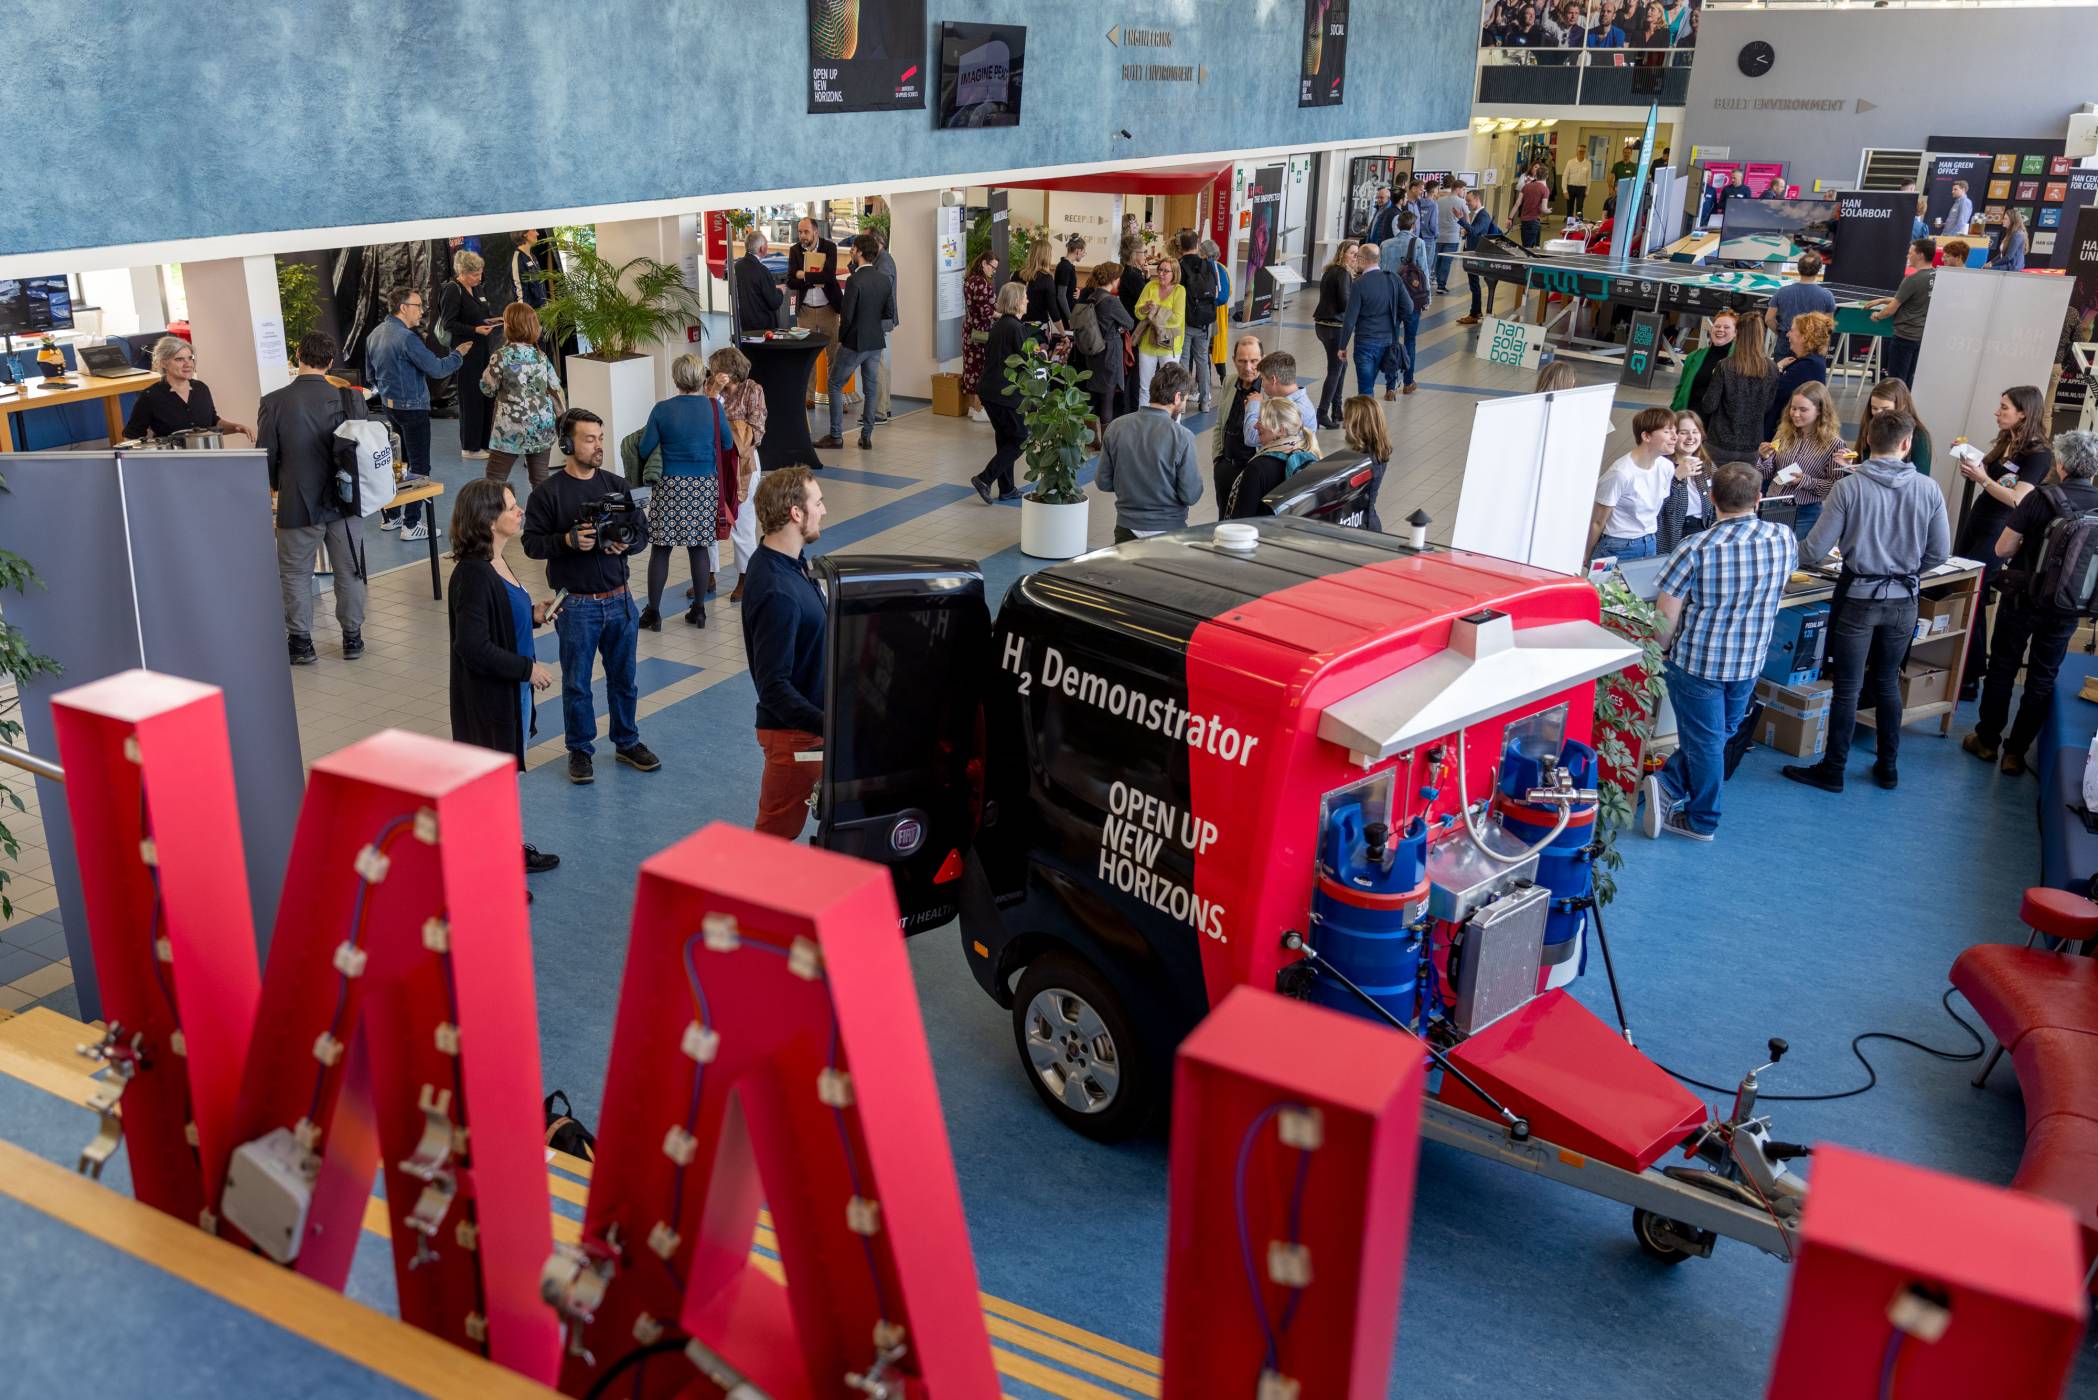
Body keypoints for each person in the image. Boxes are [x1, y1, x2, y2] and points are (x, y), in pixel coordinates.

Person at [1784, 409, 1951, 793]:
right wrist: (1908, 570)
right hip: (1904, 601)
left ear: (1866, 442)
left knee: (1848, 686)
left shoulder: (1849, 488)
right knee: (1889, 681)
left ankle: (1833, 769)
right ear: (1907, 443)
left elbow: (1813, 551)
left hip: (1859, 596)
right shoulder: (1929, 489)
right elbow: (1939, 552)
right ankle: (1888, 767)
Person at [1641, 460, 1795, 840]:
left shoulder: (1695, 547)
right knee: (1718, 733)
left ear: (1711, 499)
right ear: (1759, 498)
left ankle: (1700, 819)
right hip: (1749, 660)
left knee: (1707, 740)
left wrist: (1659, 652)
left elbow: (1666, 614)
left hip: (1699, 663)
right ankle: (1669, 788)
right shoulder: (1783, 537)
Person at [522, 408, 662, 784]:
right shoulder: (547, 494)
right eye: (589, 439)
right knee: (577, 683)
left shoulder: (617, 485)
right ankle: (580, 750)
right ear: (567, 444)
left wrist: (626, 547)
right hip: (576, 605)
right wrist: (566, 541)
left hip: (620, 600)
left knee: (624, 679)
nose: (598, 446)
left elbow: (642, 533)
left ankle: (627, 741)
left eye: (600, 438)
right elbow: (531, 544)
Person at [445, 478, 560, 877]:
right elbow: (473, 646)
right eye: (511, 507)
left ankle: (507, 852)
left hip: (510, 695)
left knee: (503, 784)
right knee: (490, 790)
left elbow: (500, 621)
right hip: (488, 699)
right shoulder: (473, 575)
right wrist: (527, 669)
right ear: (489, 519)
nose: (519, 511)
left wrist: (533, 616)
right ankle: (494, 874)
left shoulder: (499, 561)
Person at [1967, 429, 2098, 774]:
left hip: (2023, 598)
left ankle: (1986, 740)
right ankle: (2016, 753)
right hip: (2069, 606)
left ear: (2061, 462)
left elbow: (2002, 549)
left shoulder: (2041, 497)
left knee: (2004, 667)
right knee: (2042, 676)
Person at [261, 330, 367, 666]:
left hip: (298, 500)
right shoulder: (350, 398)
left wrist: (280, 486)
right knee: (349, 571)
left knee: (294, 574)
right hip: (345, 501)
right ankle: (352, 638)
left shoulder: (274, 401)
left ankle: (302, 643)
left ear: (297, 356)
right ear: (331, 361)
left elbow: (266, 456)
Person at [741, 467, 829, 840]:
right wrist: (830, 725)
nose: (824, 510)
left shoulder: (788, 562)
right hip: (797, 736)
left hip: (807, 729)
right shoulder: (778, 591)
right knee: (772, 839)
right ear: (796, 513)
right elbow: (773, 686)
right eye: (818, 502)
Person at [1954, 385, 2055, 697]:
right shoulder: (2005, 442)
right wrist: (1972, 464)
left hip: (1999, 528)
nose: (1997, 413)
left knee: (1975, 591)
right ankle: (1966, 669)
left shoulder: (2038, 455)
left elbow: (2017, 500)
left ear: (2023, 412)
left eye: (2004, 408)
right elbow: (1990, 475)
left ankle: (1970, 674)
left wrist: (1983, 479)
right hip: (1977, 520)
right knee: (1965, 589)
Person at [635, 352, 735, 629]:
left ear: (675, 379)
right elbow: (726, 444)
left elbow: (644, 448)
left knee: (661, 548)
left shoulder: (662, 409)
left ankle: (653, 612)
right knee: (699, 547)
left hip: (669, 484)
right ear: (702, 378)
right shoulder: (714, 408)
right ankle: (699, 610)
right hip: (703, 485)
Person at [365, 286, 470, 541]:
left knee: (399, 463)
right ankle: (412, 524)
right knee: (419, 466)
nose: (422, 312)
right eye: (418, 306)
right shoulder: (406, 338)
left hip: (391, 408)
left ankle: (392, 516)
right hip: (413, 409)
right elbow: (436, 369)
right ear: (403, 308)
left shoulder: (375, 334)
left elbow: (370, 376)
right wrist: (458, 355)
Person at [1098, 361, 1202, 542]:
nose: (1184, 405)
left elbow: (1103, 482)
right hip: (1170, 530)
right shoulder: (1182, 437)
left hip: (1126, 528)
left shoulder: (1116, 427)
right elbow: (1190, 495)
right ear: (1177, 397)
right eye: (1185, 399)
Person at [816, 232, 896, 452]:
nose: (850, 251)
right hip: (876, 341)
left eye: (853, 249)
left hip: (855, 342)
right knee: (870, 389)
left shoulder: (854, 280)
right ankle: (866, 436)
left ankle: (835, 435)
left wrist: (842, 340)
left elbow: (847, 315)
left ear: (860, 252)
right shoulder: (882, 279)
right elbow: (888, 311)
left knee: (834, 384)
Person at [479, 301, 561, 491]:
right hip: (542, 425)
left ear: (509, 326)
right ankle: (543, 519)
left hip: (510, 428)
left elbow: (487, 388)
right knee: (540, 480)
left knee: (495, 481)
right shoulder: (540, 356)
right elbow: (555, 385)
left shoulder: (501, 356)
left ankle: (495, 518)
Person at [1756, 381, 1847, 538]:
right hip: (1773, 503)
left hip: (1804, 512)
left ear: (1819, 410)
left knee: (1797, 557)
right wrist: (1764, 458)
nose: (1795, 414)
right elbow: (1767, 473)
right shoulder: (1784, 433)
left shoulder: (1834, 444)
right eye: (1793, 408)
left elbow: (1834, 488)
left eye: (1803, 410)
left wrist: (1804, 481)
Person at [124, 335, 254, 444]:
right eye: (179, 359)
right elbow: (131, 437)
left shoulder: (201, 388)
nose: (188, 364)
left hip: (207, 458)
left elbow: (213, 423)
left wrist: (235, 427)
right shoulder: (150, 396)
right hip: (172, 464)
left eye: (190, 358)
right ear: (163, 363)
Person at [1587, 407, 1679, 561]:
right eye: (1667, 431)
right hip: (1617, 545)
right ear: (1646, 436)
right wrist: (1586, 556)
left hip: (1649, 541)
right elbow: (1597, 521)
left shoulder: (1666, 467)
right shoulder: (1620, 473)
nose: (1675, 437)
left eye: (1675, 431)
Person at [714, 346, 768, 605]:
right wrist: (713, 393)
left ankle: (746, 578)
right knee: (710, 518)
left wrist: (730, 431)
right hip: (715, 462)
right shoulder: (713, 392)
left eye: (717, 370)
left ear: (730, 372)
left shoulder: (752, 390)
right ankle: (708, 573)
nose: (714, 374)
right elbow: (704, 416)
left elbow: (757, 428)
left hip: (742, 463)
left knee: (743, 522)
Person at [435, 251, 501, 459]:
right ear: (462, 272)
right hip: (465, 351)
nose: (479, 278)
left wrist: (492, 320)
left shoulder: (477, 288)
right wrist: (474, 330)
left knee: (485, 395)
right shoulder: (452, 290)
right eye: (474, 275)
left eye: (480, 274)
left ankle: (484, 442)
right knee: (471, 398)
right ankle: (470, 447)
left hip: (482, 348)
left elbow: (481, 314)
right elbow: (449, 323)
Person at [972, 282, 1032, 503]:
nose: (1028, 301)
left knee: (1005, 438)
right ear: (1016, 301)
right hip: (1003, 393)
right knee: (1020, 439)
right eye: (1025, 297)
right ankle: (984, 479)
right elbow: (1025, 363)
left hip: (989, 389)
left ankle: (1007, 489)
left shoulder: (999, 325)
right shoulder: (1015, 328)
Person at [1224, 397, 1320, 518]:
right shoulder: (1308, 453)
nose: (1255, 426)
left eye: (1261, 420)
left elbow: (1241, 520)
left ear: (1280, 430)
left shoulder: (1258, 467)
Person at [1699, 314, 1777, 463]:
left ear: (1737, 333)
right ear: (1761, 335)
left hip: (1719, 442)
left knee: (1710, 485)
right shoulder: (1771, 368)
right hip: (1751, 446)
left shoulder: (1724, 365)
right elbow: (1767, 406)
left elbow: (1709, 405)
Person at [786, 217, 844, 405]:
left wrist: (804, 275)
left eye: (806, 232)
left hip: (828, 308)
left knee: (834, 355)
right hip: (806, 311)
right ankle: (808, 397)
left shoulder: (829, 248)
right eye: (800, 232)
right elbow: (791, 281)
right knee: (807, 355)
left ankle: (836, 398)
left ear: (816, 232)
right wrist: (812, 278)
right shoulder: (795, 250)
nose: (802, 236)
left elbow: (828, 276)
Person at [1075, 262, 1136, 439]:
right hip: (1110, 352)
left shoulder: (1091, 296)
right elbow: (1129, 322)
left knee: (1093, 393)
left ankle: (1090, 437)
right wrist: (1118, 328)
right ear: (1115, 280)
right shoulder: (1110, 301)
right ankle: (1106, 440)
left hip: (1093, 350)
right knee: (1107, 396)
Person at [1340, 242, 1403, 404]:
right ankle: (1373, 424)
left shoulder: (1360, 284)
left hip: (1365, 343)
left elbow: (1350, 319)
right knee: (1369, 385)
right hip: (1387, 341)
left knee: (1366, 390)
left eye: (1357, 256)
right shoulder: (1393, 278)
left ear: (1363, 259)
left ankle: (1366, 425)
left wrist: (1342, 346)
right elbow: (1409, 308)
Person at [1378, 214, 1432, 395]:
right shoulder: (1418, 244)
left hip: (1390, 299)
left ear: (1398, 225)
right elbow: (1423, 272)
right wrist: (1427, 299)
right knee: (1410, 340)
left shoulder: (1385, 245)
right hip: (1412, 300)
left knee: (1391, 341)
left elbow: (1381, 271)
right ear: (1413, 226)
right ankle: (1408, 382)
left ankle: (1390, 387)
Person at [1871, 238, 1936, 386]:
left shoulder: (1912, 279)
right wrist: (1881, 300)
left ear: (1920, 255)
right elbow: (1911, 299)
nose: (1908, 256)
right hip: (1921, 337)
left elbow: (1890, 310)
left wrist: (1877, 315)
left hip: (1905, 337)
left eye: (1910, 252)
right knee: (1909, 382)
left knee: (1897, 383)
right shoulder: (1936, 275)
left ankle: (1898, 408)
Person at [1215, 335, 1266, 512]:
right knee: (1223, 517)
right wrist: (1218, 460)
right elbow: (1220, 423)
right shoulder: (1229, 381)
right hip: (1226, 467)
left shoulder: (1269, 391)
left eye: (1254, 361)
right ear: (1233, 361)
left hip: (1252, 470)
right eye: (1242, 361)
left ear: (1263, 360)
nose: (1248, 367)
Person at [1763, 311, 1832, 438]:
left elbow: (1772, 391)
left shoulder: (1808, 365)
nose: (1788, 334)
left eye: (1792, 330)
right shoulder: (1810, 362)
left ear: (1805, 336)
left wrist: (1778, 368)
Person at [1311, 240, 1358, 429]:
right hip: (1334, 327)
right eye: (1352, 253)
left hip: (1321, 325)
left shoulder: (1330, 270)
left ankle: (1337, 410)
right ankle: (1322, 413)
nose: (1355, 257)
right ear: (1343, 254)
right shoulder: (1344, 274)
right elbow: (1345, 302)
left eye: (1357, 254)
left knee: (1342, 366)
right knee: (1335, 369)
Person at [1241, 352, 1321, 457]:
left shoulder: (1295, 411)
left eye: (1263, 379)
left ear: (1273, 380)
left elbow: (1251, 437)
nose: (1262, 385)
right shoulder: (1296, 404)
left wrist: (1253, 406)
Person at [1658, 410, 1716, 553]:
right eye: (1683, 432)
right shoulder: (1661, 466)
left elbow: (1717, 503)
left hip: (1702, 532)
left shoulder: (1707, 465)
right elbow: (1657, 507)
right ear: (1673, 436)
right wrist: (1676, 478)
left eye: (1695, 432)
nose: (1690, 437)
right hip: (1671, 535)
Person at [1176, 232, 1221, 413]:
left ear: (1180, 246)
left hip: (1185, 320)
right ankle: (1205, 402)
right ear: (1197, 245)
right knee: (1202, 361)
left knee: (1184, 362)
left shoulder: (1179, 266)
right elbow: (1216, 292)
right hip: (1204, 321)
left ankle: (1184, 402)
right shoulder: (1208, 265)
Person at [1133, 256, 1186, 406]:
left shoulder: (1180, 291)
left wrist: (1154, 312)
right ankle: (1144, 420)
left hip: (1169, 345)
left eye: (1166, 271)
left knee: (1170, 388)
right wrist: (1145, 308)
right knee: (1145, 387)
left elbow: (1176, 319)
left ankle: (1172, 423)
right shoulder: (1150, 286)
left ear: (1174, 273)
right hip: (1147, 344)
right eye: (1160, 270)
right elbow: (1138, 313)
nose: (1161, 274)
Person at [1853, 379, 1933, 477]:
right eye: (1874, 408)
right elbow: (1861, 461)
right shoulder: (1869, 425)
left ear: (1902, 405)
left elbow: (1921, 477)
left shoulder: (1919, 436)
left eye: (1885, 409)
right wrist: (1849, 464)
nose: (1878, 414)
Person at [1341, 395, 1394, 532]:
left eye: (1346, 420)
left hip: (1361, 527)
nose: (1343, 425)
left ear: (1357, 425)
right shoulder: (1378, 452)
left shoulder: (1361, 462)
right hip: (1370, 520)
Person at [1672, 307, 1736, 413]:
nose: (1721, 329)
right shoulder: (1693, 357)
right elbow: (1681, 388)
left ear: (1735, 333)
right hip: (1691, 419)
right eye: (1717, 326)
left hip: (1719, 423)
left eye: (1726, 327)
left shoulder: (1739, 360)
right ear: (1712, 329)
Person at [1455, 191, 1503, 327]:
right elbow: (1475, 232)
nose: (1467, 204)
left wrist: (1461, 220)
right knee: (1473, 284)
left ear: (1477, 199)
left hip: (1477, 255)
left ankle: (1475, 313)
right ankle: (1475, 312)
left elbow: (1475, 231)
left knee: (1474, 284)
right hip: (1473, 253)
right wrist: (1466, 232)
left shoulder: (1483, 216)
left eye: (1469, 201)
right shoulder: (1478, 215)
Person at [962, 250, 999, 423]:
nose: (993, 271)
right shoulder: (981, 283)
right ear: (984, 263)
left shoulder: (969, 281)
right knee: (981, 369)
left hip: (970, 330)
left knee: (971, 368)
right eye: (992, 267)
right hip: (981, 332)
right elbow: (986, 311)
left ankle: (972, 407)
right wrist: (1005, 313)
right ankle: (979, 409)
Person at [1765, 251, 1837, 340]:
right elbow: (1828, 325)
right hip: (1812, 342)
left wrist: (1781, 335)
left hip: (1786, 340)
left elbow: (1769, 319)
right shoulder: (1827, 295)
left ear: (1799, 269)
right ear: (1818, 270)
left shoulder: (1781, 292)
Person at [734, 230, 785, 336]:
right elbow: (774, 302)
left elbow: (753, 287)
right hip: (763, 326)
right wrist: (780, 291)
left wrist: (772, 287)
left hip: (745, 322)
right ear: (762, 248)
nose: (767, 246)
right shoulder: (762, 270)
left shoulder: (738, 266)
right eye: (766, 244)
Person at [1017, 238, 1068, 331]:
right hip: (1038, 329)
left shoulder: (1017, 275)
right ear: (1046, 256)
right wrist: (1063, 335)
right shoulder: (1047, 279)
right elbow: (1053, 311)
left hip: (1017, 326)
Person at [1433, 178, 1468, 294]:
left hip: (1439, 235)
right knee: (1446, 261)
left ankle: (1437, 281)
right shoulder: (1461, 202)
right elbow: (1466, 219)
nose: (1464, 192)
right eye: (1463, 189)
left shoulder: (1439, 201)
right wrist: (1466, 230)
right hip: (1452, 237)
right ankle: (1441, 285)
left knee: (1438, 260)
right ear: (1457, 189)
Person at [510, 230, 550, 311]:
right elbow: (519, 293)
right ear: (524, 234)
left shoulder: (533, 256)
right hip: (530, 314)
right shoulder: (518, 258)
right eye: (534, 230)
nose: (537, 233)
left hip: (543, 311)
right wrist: (526, 317)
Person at [1516, 162, 1551, 249]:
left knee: (1535, 233)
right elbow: (1520, 190)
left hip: (1535, 215)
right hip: (1527, 209)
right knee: (1528, 243)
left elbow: (1544, 193)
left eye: (1538, 168)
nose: (1537, 169)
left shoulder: (1542, 185)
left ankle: (1536, 245)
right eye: (1535, 167)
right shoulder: (1525, 177)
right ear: (1531, 168)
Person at [1055, 235, 1086, 319]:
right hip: (1065, 316)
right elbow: (1061, 296)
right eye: (1083, 252)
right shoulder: (1065, 267)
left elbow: (1067, 289)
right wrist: (1070, 317)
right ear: (1078, 251)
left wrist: (1076, 290)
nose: (1083, 255)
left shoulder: (1068, 266)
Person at [1563, 149, 1593, 218]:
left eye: (1583, 151)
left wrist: (1587, 191)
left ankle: (1579, 222)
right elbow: (1565, 176)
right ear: (1577, 152)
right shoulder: (1570, 162)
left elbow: (1588, 178)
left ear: (1585, 152)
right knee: (1570, 207)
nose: (1581, 153)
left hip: (1581, 188)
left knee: (1580, 206)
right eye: (1580, 151)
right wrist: (1565, 190)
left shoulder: (1588, 163)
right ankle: (1569, 222)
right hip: (1571, 187)